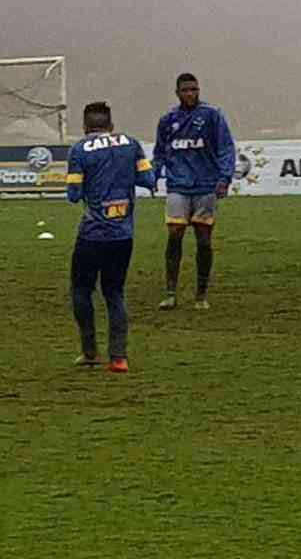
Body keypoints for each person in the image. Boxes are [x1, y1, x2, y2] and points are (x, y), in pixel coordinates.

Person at [67, 102, 156, 373]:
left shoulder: (79, 149)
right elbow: (148, 179)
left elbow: (73, 194)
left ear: (85, 126)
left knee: (82, 290)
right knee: (114, 293)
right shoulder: (131, 144)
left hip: (93, 234)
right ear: (111, 125)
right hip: (122, 234)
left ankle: (89, 351)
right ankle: (119, 357)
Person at [153, 73, 236, 310]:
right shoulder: (168, 119)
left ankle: (201, 295)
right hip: (178, 185)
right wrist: (154, 175)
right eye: (186, 90)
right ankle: (170, 293)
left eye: (194, 89)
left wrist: (224, 178)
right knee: (175, 233)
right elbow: (160, 152)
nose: (190, 94)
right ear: (177, 93)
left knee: (203, 239)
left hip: (205, 186)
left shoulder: (212, 115)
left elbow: (225, 147)